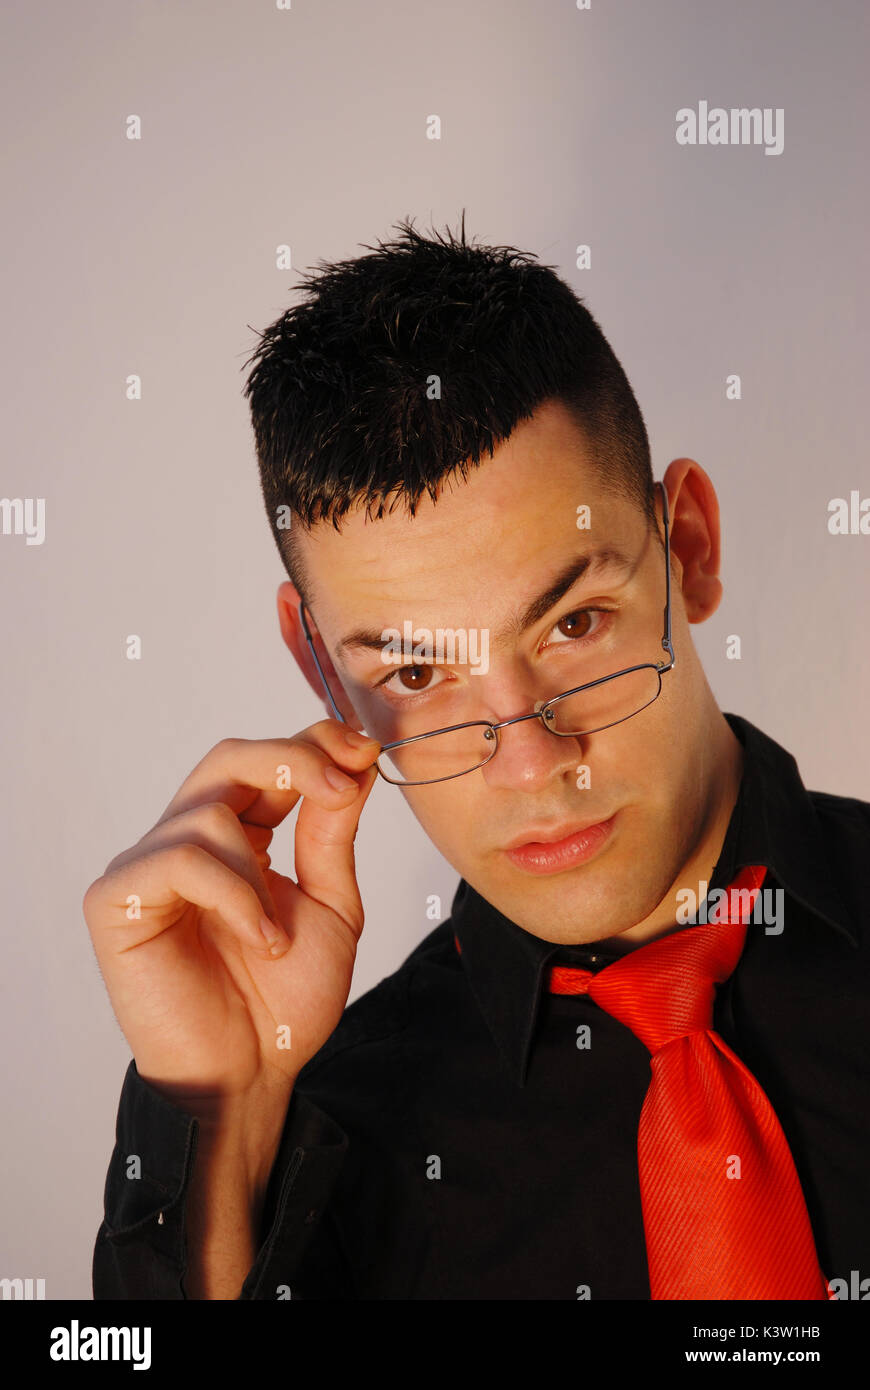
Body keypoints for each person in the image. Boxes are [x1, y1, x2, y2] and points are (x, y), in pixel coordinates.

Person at [85, 215, 870, 1301]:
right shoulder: (327, 1152)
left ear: (686, 546)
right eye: (417, 676)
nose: (532, 763)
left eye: (576, 623)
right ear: (321, 669)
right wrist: (222, 1119)